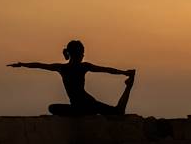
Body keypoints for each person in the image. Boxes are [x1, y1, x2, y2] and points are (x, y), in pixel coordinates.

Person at [8, 40, 136, 116]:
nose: (83, 54)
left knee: (118, 112)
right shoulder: (73, 67)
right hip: (78, 106)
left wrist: (124, 72)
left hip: (87, 104)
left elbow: (106, 70)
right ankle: (128, 85)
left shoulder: (74, 67)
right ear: (78, 54)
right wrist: (23, 64)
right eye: (82, 52)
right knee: (52, 108)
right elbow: (40, 65)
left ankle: (128, 86)